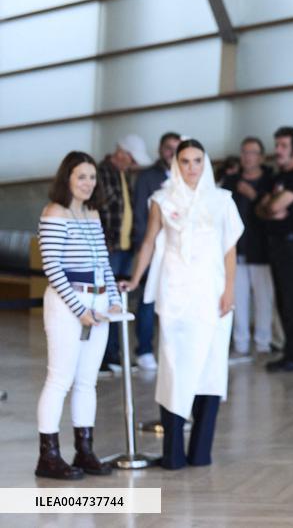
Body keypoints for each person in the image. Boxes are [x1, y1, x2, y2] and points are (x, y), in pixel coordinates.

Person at [122, 139, 243, 469]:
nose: (192, 167)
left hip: (213, 295)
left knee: (211, 368)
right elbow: (149, 242)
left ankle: (201, 452)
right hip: (176, 296)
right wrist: (135, 279)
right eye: (185, 161)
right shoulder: (161, 199)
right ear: (176, 164)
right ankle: (172, 454)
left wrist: (229, 290)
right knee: (174, 368)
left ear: (206, 163)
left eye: (197, 160)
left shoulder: (222, 201)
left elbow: (229, 250)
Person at [36, 151, 124, 479]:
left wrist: (114, 301)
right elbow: (52, 267)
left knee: (87, 381)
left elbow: (104, 263)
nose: (88, 183)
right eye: (81, 177)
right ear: (67, 179)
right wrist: (79, 309)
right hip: (67, 302)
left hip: (98, 303)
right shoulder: (54, 212)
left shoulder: (92, 213)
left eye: (92, 177)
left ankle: (84, 451)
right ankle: (48, 456)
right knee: (60, 379)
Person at [257, 126, 293, 373]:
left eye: (283, 146)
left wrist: (271, 207)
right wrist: (271, 208)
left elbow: (272, 206)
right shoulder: (277, 177)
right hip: (278, 244)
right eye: (277, 145)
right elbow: (262, 208)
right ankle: (289, 353)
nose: (278, 150)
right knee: (282, 299)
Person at [98, 133, 152, 373]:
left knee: (118, 302)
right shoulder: (102, 172)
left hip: (125, 248)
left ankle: (115, 354)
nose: (133, 164)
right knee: (108, 301)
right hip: (111, 248)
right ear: (122, 153)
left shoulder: (124, 174)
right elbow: (100, 207)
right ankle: (107, 355)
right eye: (132, 159)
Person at [130, 131, 181, 371]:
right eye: (168, 148)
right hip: (153, 247)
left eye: (176, 148)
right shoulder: (147, 177)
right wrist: (145, 248)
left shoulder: (183, 176)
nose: (172, 153)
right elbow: (140, 214)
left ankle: (170, 349)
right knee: (148, 300)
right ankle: (144, 349)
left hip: (177, 251)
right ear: (160, 149)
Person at [221, 137, 275, 358]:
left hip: (263, 250)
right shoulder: (230, 181)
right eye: (244, 152)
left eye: (252, 152)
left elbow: (273, 210)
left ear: (261, 157)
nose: (247, 156)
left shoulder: (270, 181)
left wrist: (254, 196)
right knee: (238, 300)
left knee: (264, 301)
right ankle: (241, 343)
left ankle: (263, 344)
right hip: (236, 250)